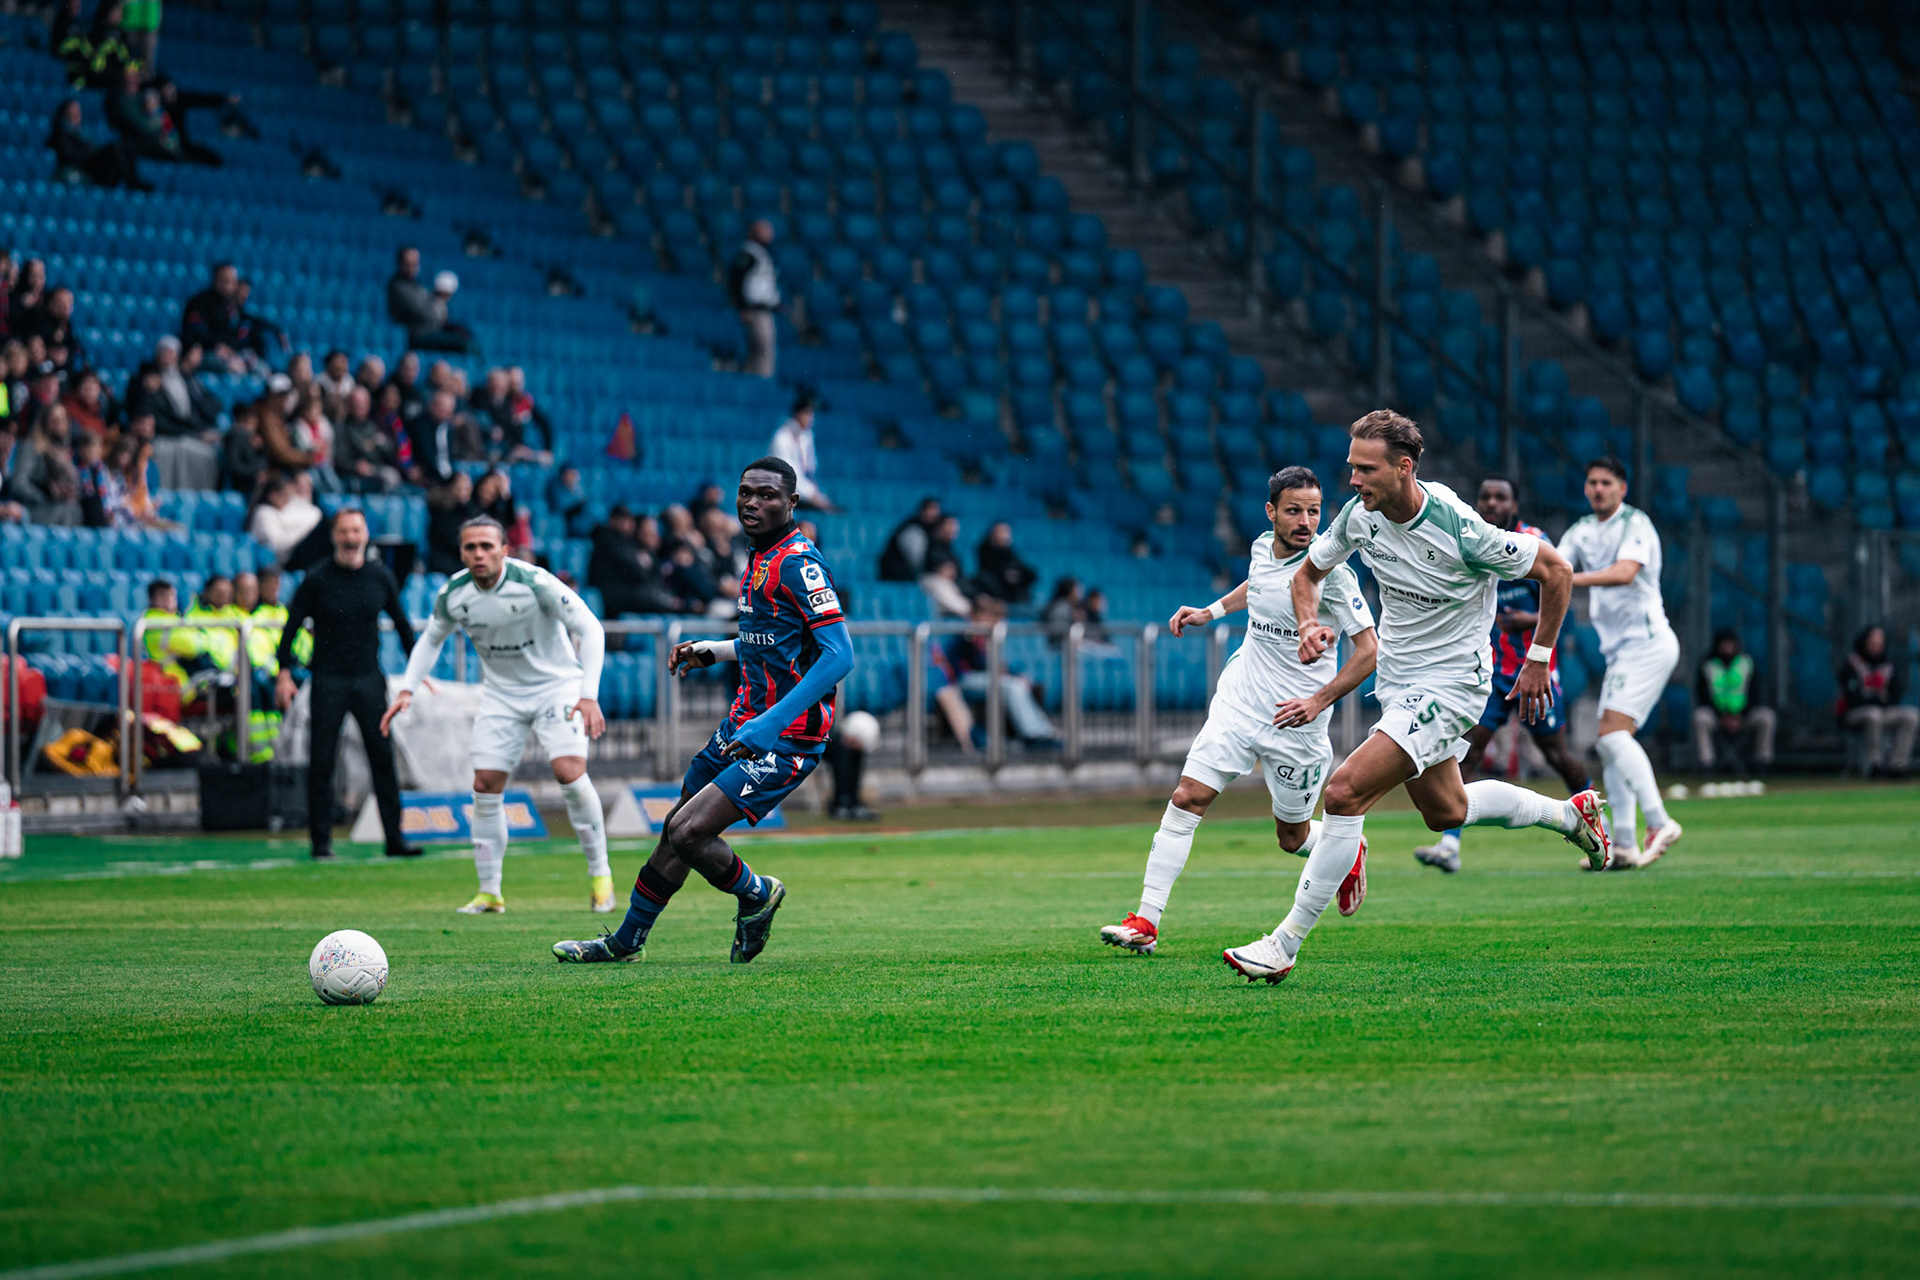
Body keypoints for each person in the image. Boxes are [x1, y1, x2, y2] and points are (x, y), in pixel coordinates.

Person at [1220, 411, 1607, 985]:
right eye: (1351, 467)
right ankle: (1570, 814)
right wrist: (1306, 625)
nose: (1352, 480)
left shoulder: (1460, 527)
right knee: (1445, 810)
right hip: (1399, 682)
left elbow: (1557, 571)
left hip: (1452, 684)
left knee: (1344, 793)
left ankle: (1284, 943)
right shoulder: (1359, 517)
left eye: (1365, 469)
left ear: (1404, 468)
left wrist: (1537, 660)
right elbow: (1306, 576)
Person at [553, 457, 851, 965]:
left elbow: (839, 655)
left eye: (767, 495)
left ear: (792, 503)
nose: (752, 503)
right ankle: (625, 943)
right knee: (676, 829)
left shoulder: (798, 564)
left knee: (690, 832)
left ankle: (757, 893)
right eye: (746, 492)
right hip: (742, 723)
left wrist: (772, 722)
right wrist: (716, 649)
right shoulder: (759, 555)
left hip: (786, 737)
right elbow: (775, 640)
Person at [1102, 467, 1380, 956]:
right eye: (1294, 511)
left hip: (1297, 721)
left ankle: (1346, 847)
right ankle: (1146, 920)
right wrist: (1209, 612)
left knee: (1291, 837)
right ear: (1271, 512)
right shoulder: (1261, 547)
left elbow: (1369, 652)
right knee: (1187, 797)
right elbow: (1257, 586)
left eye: (1314, 512)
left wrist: (1317, 701)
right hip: (1240, 701)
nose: (1305, 522)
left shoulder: (1333, 574)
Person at [383, 515, 613, 914]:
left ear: (504, 550)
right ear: (461, 553)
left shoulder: (535, 582)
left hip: (556, 686)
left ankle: (601, 877)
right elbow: (431, 639)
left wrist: (588, 695)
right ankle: (490, 892)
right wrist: (408, 688)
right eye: (470, 547)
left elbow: (591, 628)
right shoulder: (454, 593)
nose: (479, 554)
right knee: (485, 784)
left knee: (569, 773)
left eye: (487, 546)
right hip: (501, 694)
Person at [1413, 475, 1594, 873]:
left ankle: (1596, 818)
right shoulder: (1473, 540)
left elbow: (1561, 601)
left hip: (1535, 672)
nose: (1491, 503)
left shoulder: (1533, 541)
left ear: (1515, 505)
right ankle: (1449, 845)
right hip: (1491, 676)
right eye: (1485, 497)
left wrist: (1528, 621)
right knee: (1467, 752)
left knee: (1556, 755)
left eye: (1500, 497)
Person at [1559, 456, 1684, 869]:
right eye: (1592, 482)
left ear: (1622, 489)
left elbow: (1625, 572)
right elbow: (1554, 563)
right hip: (1621, 651)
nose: (1598, 489)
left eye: (1606, 482)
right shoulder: (1582, 529)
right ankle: (1625, 846)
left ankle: (1659, 821)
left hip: (1647, 643)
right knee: (1611, 744)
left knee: (1612, 737)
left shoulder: (1635, 523)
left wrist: (1569, 580)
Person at [275, 508, 419, 861]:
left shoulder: (380, 576)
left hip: (369, 681)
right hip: (328, 680)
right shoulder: (316, 578)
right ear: (334, 536)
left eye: (356, 531)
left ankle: (395, 839)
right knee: (322, 762)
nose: (351, 538)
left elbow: (402, 625)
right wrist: (284, 672)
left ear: (365, 535)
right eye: (344, 532)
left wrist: (418, 672)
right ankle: (321, 842)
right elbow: (291, 627)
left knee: (383, 761)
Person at [932, 595, 1062, 750]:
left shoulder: (990, 634)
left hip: (986, 678)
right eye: (987, 616)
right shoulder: (965, 633)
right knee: (1011, 686)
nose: (992, 621)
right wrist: (978, 644)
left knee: (1020, 682)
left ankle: (1044, 732)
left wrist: (1014, 673)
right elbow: (967, 665)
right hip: (963, 680)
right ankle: (1032, 734)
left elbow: (1002, 664)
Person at [1692, 629, 1777, 775]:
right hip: (1717, 717)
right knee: (1700, 717)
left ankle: (1762, 761)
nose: (1727, 648)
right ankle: (1707, 764)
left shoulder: (1746, 663)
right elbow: (1703, 696)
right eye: (1724, 644)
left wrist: (1740, 716)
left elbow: (1755, 693)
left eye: (1730, 644)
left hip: (1743, 716)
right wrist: (1723, 717)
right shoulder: (1708, 665)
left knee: (1767, 717)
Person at [1838, 626, 1916, 778]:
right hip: (1854, 713)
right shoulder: (1852, 664)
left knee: (1911, 716)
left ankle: (1896, 766)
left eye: (1880, 644)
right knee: (1873, 714)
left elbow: (1895, 696)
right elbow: (1854, 698)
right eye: (1872, 644)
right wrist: (1878, 699)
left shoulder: (1888, 666)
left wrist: (1879, 700)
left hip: (1882, 711)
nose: (1876, 648)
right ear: (1864, 643)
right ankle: (1875, 766)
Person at [588, 505, 685, 616]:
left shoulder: (629, 543)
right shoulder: (606, 539)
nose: (626, 525)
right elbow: (635, 570)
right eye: (622, 520)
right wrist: (640, 562)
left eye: (628, 520)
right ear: (612, 521)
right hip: (611, 593)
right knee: (645, 595)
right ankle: (675, 605)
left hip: (625, 589)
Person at [386, 246, 476, 353]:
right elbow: (422, 313)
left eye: (415, 263)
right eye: (409, 263)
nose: (413, 267)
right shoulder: (398, 286)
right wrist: (437, 307)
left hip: (432, 331)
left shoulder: (418, 285)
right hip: (418, 334)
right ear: (401, 263)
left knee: (468, 336)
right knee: (465, 344)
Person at [46, 97, 146, 190]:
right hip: (86, 167)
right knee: (114, 149)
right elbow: (69, 154)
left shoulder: (83, 134)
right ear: (64, 114)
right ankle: (131, 182)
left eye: (78, 111)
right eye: (72, 111)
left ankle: (131, 180)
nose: (77, 115)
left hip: (96, 164)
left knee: (126, 146)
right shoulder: (61, 135)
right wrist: (92, 155)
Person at [727, 219, 780, 377]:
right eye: (766, 230)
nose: (770, 233)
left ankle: (757, 380)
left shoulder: (761, 253)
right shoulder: (748, 253)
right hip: (754, 310)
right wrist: (742, 307)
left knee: (762, 350)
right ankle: (760, 382)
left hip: (763, 309)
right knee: (762, 349)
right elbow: (736, 281)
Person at [13, 403, 82, 525]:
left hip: (64, 512)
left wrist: (68, 493)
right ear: (45, 422)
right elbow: (18, 483)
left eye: (62, 419)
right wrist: (45, 493)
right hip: (38, 511)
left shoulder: (66, 454)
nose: (58, 423)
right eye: (53, 419)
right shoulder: (32, 447)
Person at [768, 391, 834, 511]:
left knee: (836, 511)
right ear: (797, 414)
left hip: (803, 492)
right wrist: (811, 495)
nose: (811, 419)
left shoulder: (806, 436)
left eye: (812, 414)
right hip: (783, 493)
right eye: (807, 413)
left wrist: (815, 493)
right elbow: (789, 476)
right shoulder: (782, 437)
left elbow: (809, 469)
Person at [179, 263, 249, 373]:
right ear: (216, 280)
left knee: (256, 365)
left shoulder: (234, 306)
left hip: (230, 352)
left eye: (232, 281)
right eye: (224, 280)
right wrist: (216, 345)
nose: (228, 285)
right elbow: (195, 331)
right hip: (205, 351)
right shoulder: (199, 302)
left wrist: (231, 349)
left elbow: (237, 334)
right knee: (233, 367)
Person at [335, 384, 401, 493]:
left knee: (391, 475)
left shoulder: (372, 426)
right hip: (352, 475)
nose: (361, 407)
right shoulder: (342, 428)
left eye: (364, 404)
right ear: (350, 405)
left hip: (374, 470)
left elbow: (390, 450)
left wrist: (382, 444)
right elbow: (340, 459)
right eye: (357, 404)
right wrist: (355, 466)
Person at [249, 470, 322, 562]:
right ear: (273, 495)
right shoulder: (263, 512)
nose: (287, 500)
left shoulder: (283, 509)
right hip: (271, 560)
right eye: (284, 495)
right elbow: (277, 545)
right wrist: (306, 529)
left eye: (289, 496)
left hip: (286, 555)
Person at [879, 496, 943, 581]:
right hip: (897, 576)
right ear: (922, 511)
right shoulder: (912, 529)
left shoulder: (932, 530)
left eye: (937, 510)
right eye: (931, 510)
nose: (935, 514)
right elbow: (917, 562)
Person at [974, 521, 1038, 605]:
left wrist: (1016, 575)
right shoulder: (985, 551)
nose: (1005, 535)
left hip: (1013, 590)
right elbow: (993, 569)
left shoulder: (1009, 552)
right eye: (1002, 532)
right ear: (992, 534)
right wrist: (1008, 574)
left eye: (1007, 532)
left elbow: (1030, 573)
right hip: (997, 589)